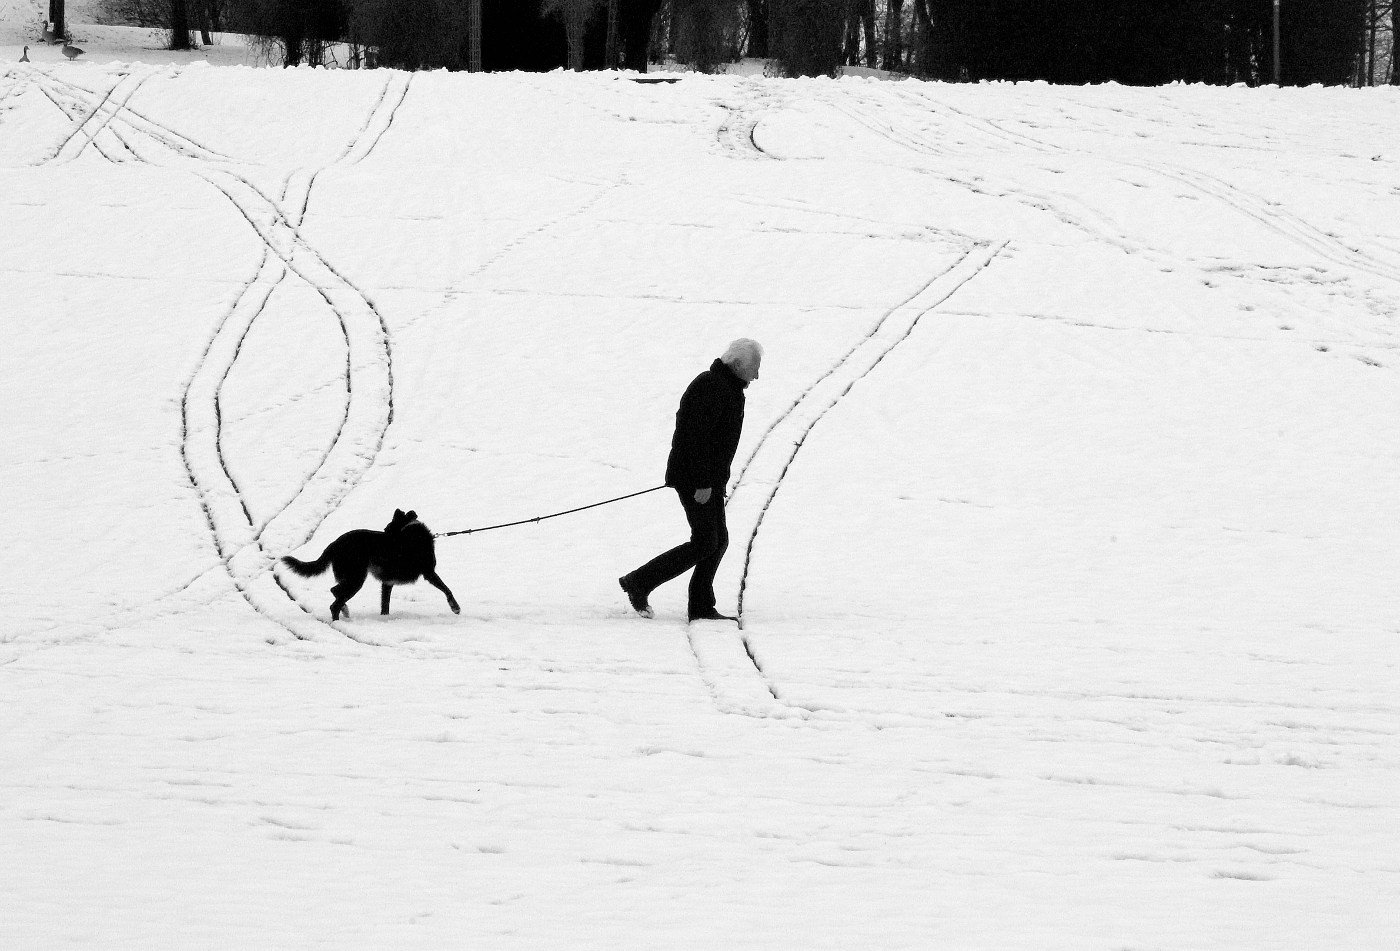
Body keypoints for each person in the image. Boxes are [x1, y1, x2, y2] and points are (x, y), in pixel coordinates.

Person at [620, 338, 763, 622]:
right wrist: (702, 482)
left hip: (708, 480)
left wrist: (714, 480)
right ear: (736, 365)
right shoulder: (711, 387)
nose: (757, 375)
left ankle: (699, 605)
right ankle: (640, 582)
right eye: (754, 368)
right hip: (696, 480)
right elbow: (693, 437)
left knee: (717, 540)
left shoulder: (727, 387)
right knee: (705, 541)